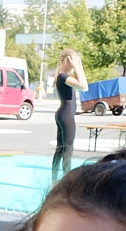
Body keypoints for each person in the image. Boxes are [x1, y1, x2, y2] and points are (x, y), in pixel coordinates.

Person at [50, 49, 88, 181]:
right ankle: (67, 180)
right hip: (66, 115)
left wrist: (79, 65)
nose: (75, 63)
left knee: (60, 149)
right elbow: (84, 86)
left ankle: (54, 179)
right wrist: (77, 67)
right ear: (67, 60)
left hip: (63, 114)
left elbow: (83, 85)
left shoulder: (63, 76)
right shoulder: (63, 76)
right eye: (73, 60)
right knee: (68, 149)